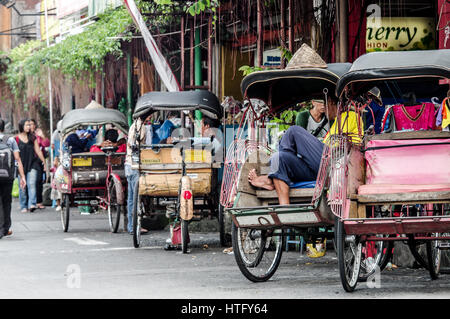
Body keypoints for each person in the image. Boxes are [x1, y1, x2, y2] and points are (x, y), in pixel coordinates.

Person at [248, 98, 363, 206]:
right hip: (316, 168)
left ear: (332, 103)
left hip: (332, 164)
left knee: (293, 131)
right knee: (279, 157)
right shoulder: (331, 121)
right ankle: (284, 210)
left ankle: (271, 177)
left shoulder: (349, 116)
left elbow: (344, 145)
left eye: (325, 105)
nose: (325, 110)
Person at [0, 119, 26, 238]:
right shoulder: (10, 140)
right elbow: (17, 159)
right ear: (3, 128)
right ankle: (6, 227)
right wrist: (22, 177)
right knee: (7, 201)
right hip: (8, 176)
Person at [16, 119, 47, 213]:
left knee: (31, 183)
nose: (29, 127)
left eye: (29, 125)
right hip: (21, 165)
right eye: (27, 125)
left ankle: (32, 204)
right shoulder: (15, 139)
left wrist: (44, 162)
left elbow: (37, 150)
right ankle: (23, 205)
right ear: (21, 126)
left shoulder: (33, 138)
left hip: (32, 164)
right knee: (22, 186)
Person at [125, 116, 150, 235]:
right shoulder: (140, 126)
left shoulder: (133, 125)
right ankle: (135, 226)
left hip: (129, 164)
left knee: (131, 199)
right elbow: (134, 144)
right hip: (135, 164)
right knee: (136, 198)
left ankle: (131, 226)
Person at [29, 119, 50, 209]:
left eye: (32, 124)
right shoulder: (24, 135)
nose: (31, 126)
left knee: (39, 180)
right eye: (29, 124)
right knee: (30, 182)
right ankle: (29, 202)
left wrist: (42, 136)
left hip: (38, 160)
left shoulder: (38, 135)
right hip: (29, 160)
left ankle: (39, 202)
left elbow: (46, 144)